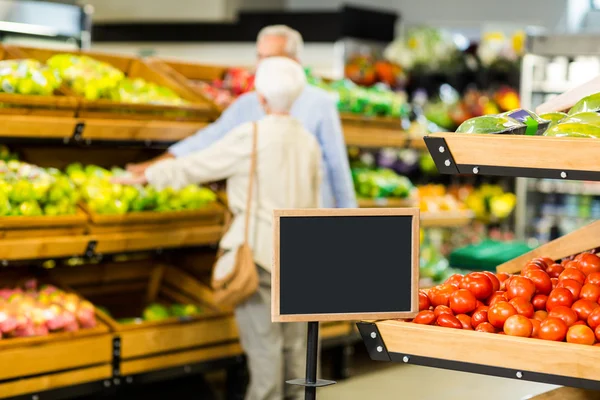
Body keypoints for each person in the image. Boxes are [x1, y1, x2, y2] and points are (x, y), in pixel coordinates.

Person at [115, 57, 321, 400]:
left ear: (260, 97)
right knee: (297, 356)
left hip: (259, 256)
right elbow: (316, 202)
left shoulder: (251, 135)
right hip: (301, 259)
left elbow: (198, 166)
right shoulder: (308, 142)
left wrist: (147, 175)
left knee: (265, 355)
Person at [127, 25, 356, 209]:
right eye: (260, 57)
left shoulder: (320, 104)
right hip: (262, 219)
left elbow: (337, 167)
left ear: (294, 62)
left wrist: (349, 218)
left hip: (306, 220)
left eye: (271, 58)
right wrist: (156, 164)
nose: (262, 66)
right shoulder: (247, 103)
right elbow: (209, 139)